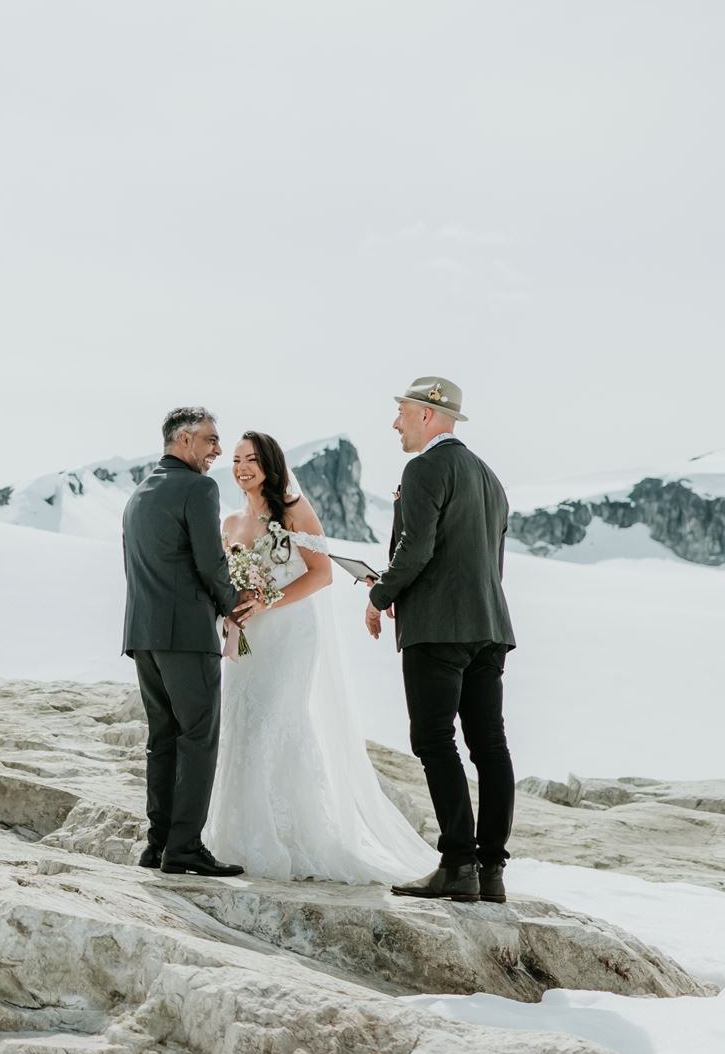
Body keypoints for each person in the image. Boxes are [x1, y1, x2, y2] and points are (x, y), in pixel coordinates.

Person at [203, 432, 442, 883]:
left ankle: (292, 837)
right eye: (236, 460)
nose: (242, 468)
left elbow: (323, 574)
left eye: (252, 459)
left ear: (270, 465)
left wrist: (267, 601)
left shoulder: (293, 511)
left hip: (290, 634)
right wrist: (233, 606)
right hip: (248, 637)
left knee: (275, 721)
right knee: (241, 722)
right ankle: (237, 836)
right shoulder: (231, 522)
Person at [365, 378, 517, 904]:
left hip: (439, 629)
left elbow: (417, 547)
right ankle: (491, 871)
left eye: (402, 411)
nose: (396, 422)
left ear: (428, 414)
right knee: (489, 746)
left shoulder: (425, 467)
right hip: (490, 627)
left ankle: (457, 865)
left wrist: (380, 594)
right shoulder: (490, 477)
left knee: (433, 740)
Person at [120, 406, 249, 878]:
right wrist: (234, 601)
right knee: (198, 738)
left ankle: (158, 846)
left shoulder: (140, 491)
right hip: (186, 635)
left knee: (163, 741)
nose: (218, 450)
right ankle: (186, 847)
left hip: (143, 634)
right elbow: (210, 562)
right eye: (212, 440)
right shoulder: (198, 487)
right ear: (184, 440)